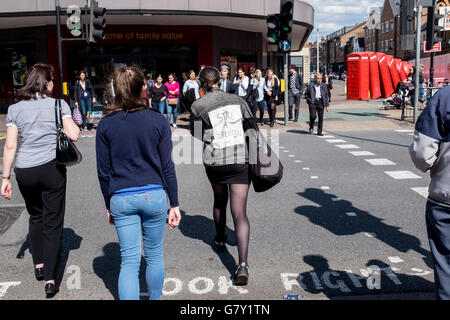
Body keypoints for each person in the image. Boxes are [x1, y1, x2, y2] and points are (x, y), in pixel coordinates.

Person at [96, 66, 181, 300]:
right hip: (154, 195)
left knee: (129, 261)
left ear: (116, 90)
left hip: (121, 197)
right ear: (143, 89)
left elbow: (103, 172)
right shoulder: (157, 120)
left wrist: (108, 204)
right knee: (154, 255)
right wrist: (174, 203)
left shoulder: (106, 124)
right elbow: (167, 167)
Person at [1, 63, 80, 296]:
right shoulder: (58, 104)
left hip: (25, 170)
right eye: (52, 80)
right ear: (46, 83)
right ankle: (50, 279)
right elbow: (74, 134)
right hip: (51, 168)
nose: (54, 83)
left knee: (35, 216)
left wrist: (5, 177)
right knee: (53, 222)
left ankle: (38, 265)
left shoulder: (15, 109)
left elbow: (10, 146)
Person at [189, 66, 257, 286]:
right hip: (239, 160)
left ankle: (219, 239)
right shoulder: (238, 100)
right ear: (220, 80)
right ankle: (243, 264)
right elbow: (252, 128)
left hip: (216, 161)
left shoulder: (198, 105)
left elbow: (197, 133)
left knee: (219, 201)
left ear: (201, 83)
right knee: (240, 213)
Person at [409, 85, 450, 300]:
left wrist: (435, 166)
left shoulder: (445, 97)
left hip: (446, 196)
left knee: (446, 264)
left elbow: (421, 154)